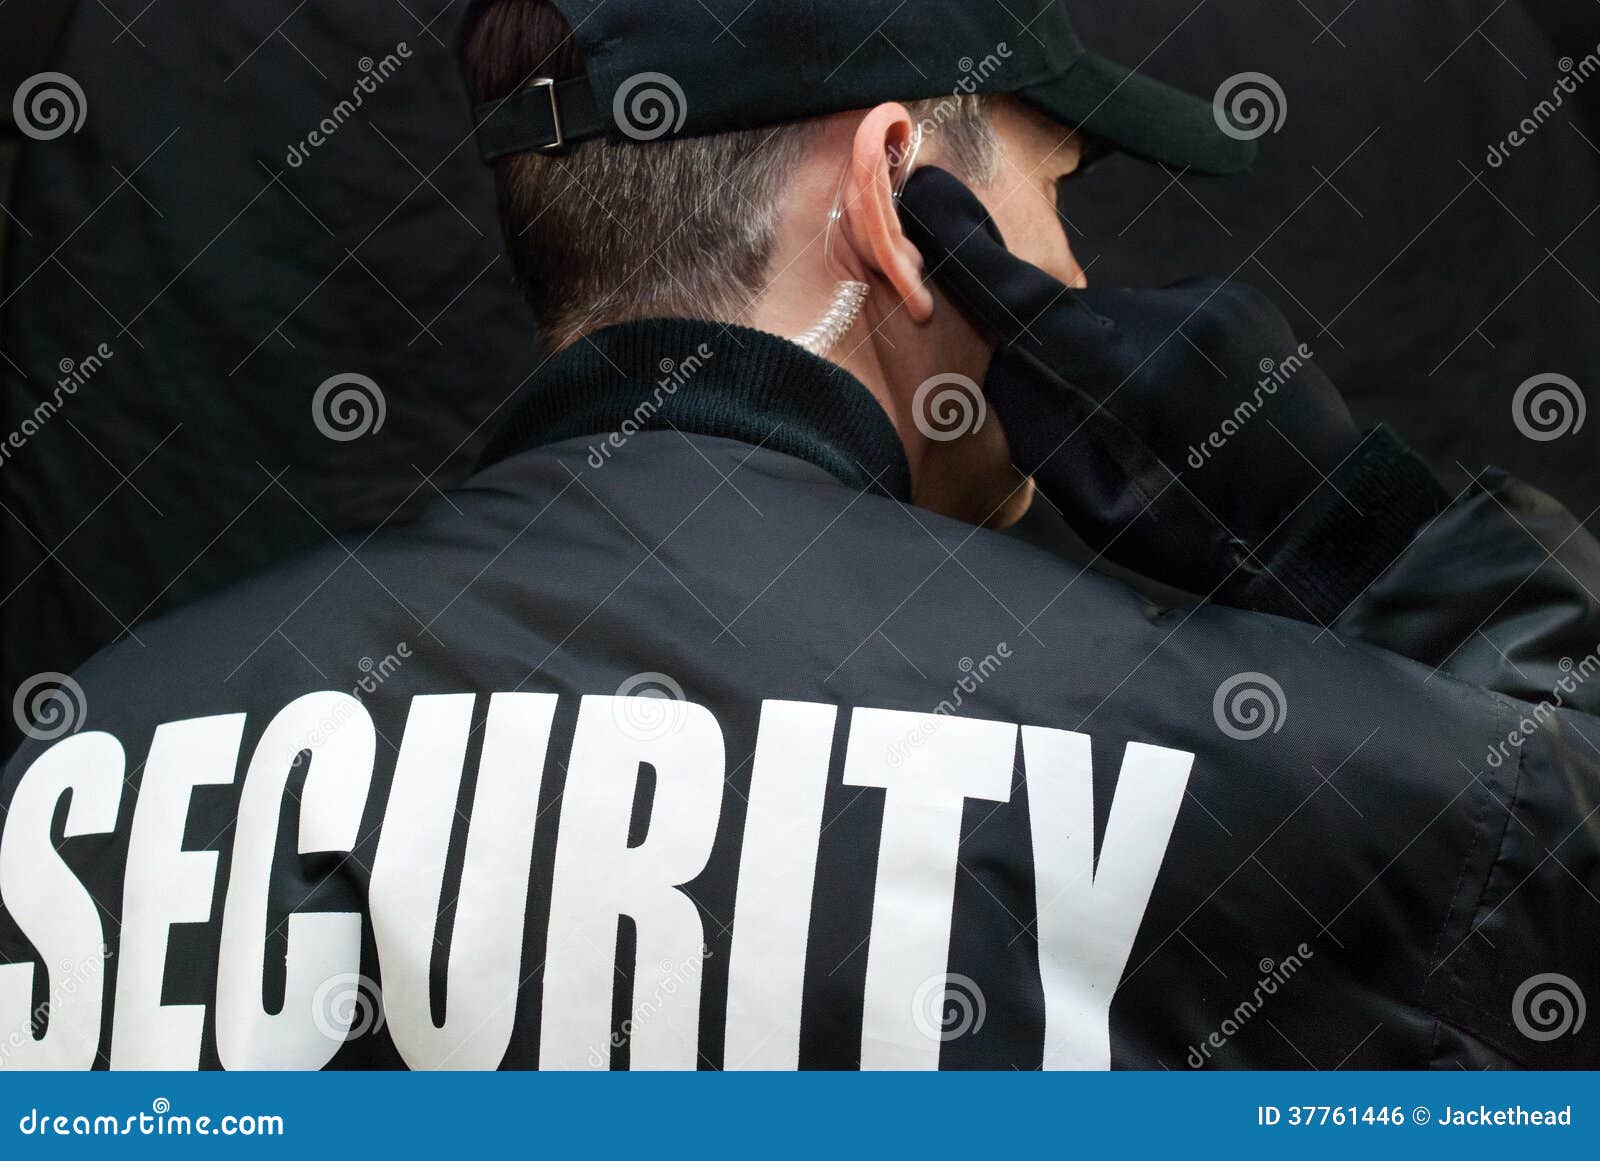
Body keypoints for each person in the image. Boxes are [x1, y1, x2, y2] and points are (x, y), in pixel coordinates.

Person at [0, 0, 1594, 1071]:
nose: (1077, 274)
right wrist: (1356, 528)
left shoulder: (91, 772)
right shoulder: (1198, 767)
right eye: (1052, 189)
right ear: (900, 199)